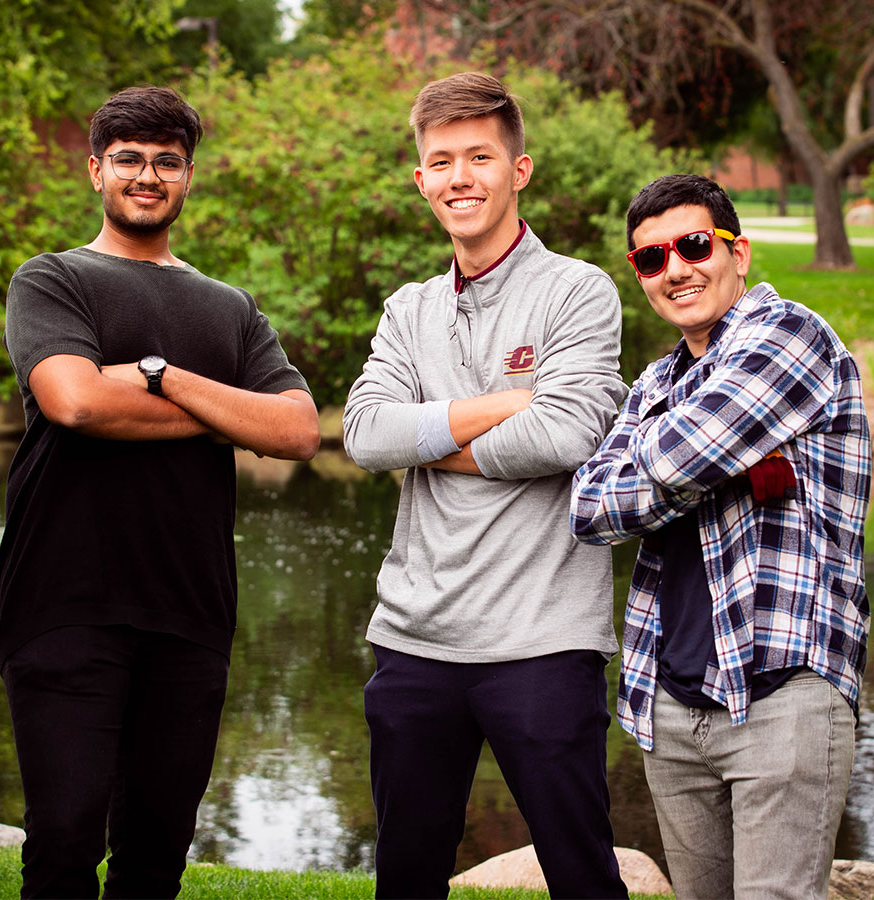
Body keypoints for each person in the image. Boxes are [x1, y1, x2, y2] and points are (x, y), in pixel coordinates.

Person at [0, 85, 319, 899]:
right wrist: (226, 414)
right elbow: (73, 401)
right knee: (64, 844)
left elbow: (298, 432)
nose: (148, 175)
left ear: (188, 177)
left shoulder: (230, 308)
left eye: (166, 162)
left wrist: (159, 376)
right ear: (96, 170)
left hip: (190, 611)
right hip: (62, 601)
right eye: (129, 160)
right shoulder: (52, 280)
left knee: (156, 856)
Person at [343, 71, 630, 899]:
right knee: (405, 878)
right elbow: (366, 435)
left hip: (542, 641)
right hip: (412, 640)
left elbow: (570, 432)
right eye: (441, 161)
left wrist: (428, 434)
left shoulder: (577, 291)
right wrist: (507, 402)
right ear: (421, 179)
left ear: (520, 170)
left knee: (582, 876)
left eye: (479, 157)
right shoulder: (409, 309)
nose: (459, 177)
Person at [571, 173, 870, 900]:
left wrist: (673, 457)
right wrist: (729, 459)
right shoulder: (655, 380)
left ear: (738, 251)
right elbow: (589, 507)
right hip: (672, 705)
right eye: (651, 258)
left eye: (694, 245)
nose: (675, 269)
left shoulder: (794, 335)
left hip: (784, 693)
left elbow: (678, 458)